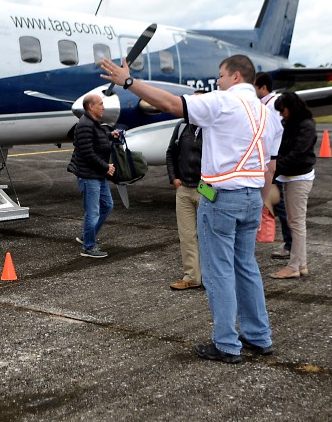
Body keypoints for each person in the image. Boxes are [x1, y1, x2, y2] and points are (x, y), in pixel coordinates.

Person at [99, 55, 274, 363]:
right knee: (246, 266)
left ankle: (226, 344)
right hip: (252, 197)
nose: (216, 81)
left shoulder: (222, 102)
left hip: (221, 197)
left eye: (220, 75)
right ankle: (259, 336)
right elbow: (271, 157)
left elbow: (170, 105)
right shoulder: (266, 112)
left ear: (234, 76)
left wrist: (129, 82)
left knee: (218, 272)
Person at [269, 92, 317, 279]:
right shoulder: (290, 124)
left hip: (299, 178)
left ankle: (294, 266)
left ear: (291, 107)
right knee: (294, 221)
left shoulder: (306, 126)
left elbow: (297, 154)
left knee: (296, 223)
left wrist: (274, 169)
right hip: (289, 177)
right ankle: (301, 263)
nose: (282, 114)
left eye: (283, 110)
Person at [67, 94, 117, 259]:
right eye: (101, 104)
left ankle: (86, 236)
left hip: (97, 175)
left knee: (107, 206)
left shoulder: (94, 123)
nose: (103, 107)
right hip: (89, 176)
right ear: (91, 107)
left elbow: (97, 140)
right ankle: (88, 247)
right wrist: (106, 167)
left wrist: (111, 136)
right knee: (93, 212)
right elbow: (87, 152)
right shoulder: (84, 124)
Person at [165, 104, 204, 290]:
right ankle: (192, 277)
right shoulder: (181, 127)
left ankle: (212, 277)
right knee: (187, 235)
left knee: (209, 235)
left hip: (205, 189)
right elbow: (171, 153)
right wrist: (174, 178)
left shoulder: (214, 127)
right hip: (184, 189)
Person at [255, 72, 289, 256]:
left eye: (254, 87)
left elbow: (276, 135)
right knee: (278, 201)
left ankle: (289, 244)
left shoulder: (273, 106)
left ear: (262, 87)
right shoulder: (265, 104)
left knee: (280, 202)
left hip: (275, 160)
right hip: (270, 160)